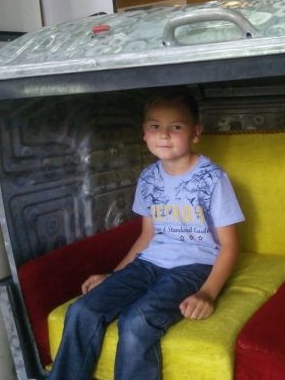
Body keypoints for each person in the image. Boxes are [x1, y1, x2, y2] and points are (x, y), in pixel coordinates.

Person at [48, 87, 244, 380]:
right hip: (148, 264)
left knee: (137, 321)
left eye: (175, 127)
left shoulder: (213, 178)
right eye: (155, 126)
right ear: (144, 133)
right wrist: (115, 276)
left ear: (195, 133)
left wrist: (207, 293)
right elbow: (146, 237)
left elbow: (229, 246)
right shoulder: (148, 178)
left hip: (194, 267)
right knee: (82, 311)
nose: (164, 135)